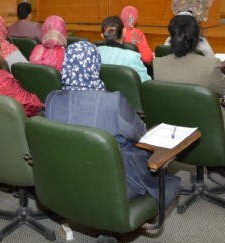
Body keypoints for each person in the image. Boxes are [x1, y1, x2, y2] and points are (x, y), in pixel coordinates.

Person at [45, 41, 180, 206]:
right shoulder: (113, 102)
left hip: (68, 180)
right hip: (116, 184)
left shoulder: (52, 99)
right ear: (95, 66)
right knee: (167, 180)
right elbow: (140, 134)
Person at [153, 14, 225, 185]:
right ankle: (217, 166)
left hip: (172, 123)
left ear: (171, 36)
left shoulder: (158, 64)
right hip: (206, 125)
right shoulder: (210, 64)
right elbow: (223, 90)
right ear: (196, 38)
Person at [98, 16, 151, 82]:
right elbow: (146, 83)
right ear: (124, 31)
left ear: (102, 35)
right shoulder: (132, 57)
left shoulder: (94, 53)